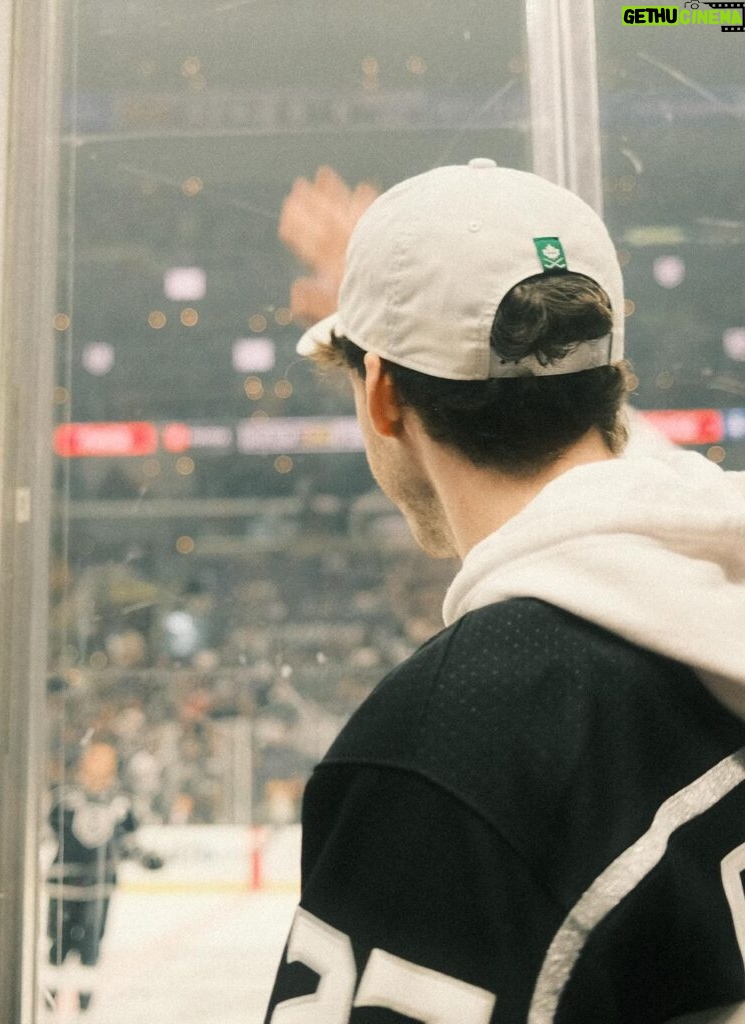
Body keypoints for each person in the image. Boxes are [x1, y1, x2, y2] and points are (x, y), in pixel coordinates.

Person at [265, 159, 745, 1023]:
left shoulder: (444, 747)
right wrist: (400, 293)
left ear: (379, 395)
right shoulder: (714, 570)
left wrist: (407, 302)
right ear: (610, 374)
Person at [44, 734, 163, 1013]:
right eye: (94, 757)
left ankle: (85, 1007)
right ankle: (47, 1004)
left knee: (90, 948)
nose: (99, 764)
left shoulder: (119, 802)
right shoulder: (65, 797)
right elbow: (50, 831)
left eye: (105, 759)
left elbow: (126, 840)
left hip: (100, 886)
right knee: (58, 946)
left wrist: (148, 858)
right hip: (66, 884)